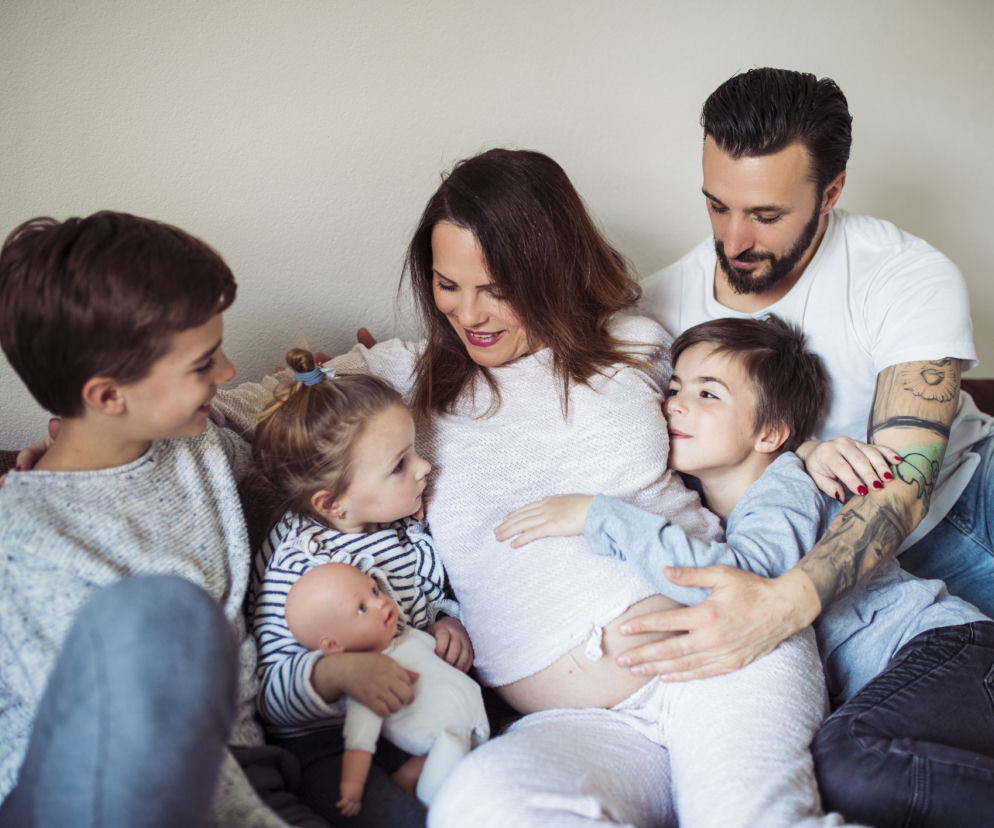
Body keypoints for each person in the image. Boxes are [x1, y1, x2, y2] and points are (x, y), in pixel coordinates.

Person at [321, 148, 842, 826]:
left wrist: (820, 445)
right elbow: (241, 408)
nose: (469, 312)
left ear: (551, 270)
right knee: (479, 807)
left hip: (718, 660)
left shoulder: (637, 345)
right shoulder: (405, 380)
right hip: (580, 726)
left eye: (497, 287)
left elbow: (748, 415)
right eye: (448, 285)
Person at [499, 315, 994, 826]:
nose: (675, 403)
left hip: (945, 649)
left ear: (771, 433)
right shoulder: (705, 507)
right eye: (674, 387)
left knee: (856, 762)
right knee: (848, 771)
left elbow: (739, 581)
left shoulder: (788, 486)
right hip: (909, 677)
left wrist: (597, 515)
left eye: (708, 394)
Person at [629, 67, 994, 687]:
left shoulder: (905, 273)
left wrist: (782, 606)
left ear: (830, 192)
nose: (734, 240)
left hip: (966, 502)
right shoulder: (656, 311)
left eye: (766, 214)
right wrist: (803, 449)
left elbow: (906, 480)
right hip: (842, 565)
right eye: (717, 206)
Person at [0, 212, 327, 827]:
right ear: (106, 397)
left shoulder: (195, 446)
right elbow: (102, 736)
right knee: (167, 614)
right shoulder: (24, 537)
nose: (227, 371)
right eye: (203, 362)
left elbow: (292, 416)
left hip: (236, 767)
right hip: (86, 790)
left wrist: (330, 376)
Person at [247, 348, 479, 826]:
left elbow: (430, 587)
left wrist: (444, 617)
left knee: (478, 788)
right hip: (329, 740)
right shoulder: (298, 563)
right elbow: (271, 691)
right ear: (332, 502)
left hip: (414, 716)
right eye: (400, 465)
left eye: (415, 451)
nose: (424, 468)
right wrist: (340, 674)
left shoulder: (394, 524)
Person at [283, 563, 488, 815]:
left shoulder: (411, 636)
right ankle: (421, 794)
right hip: (445, 742)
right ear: (333, 645)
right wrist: (351, 787)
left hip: (471, 723)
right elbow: (360, 743)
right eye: (361, 608)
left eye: (375, 591)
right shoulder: (368, 682)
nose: (380, 602)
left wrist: (447, 624)